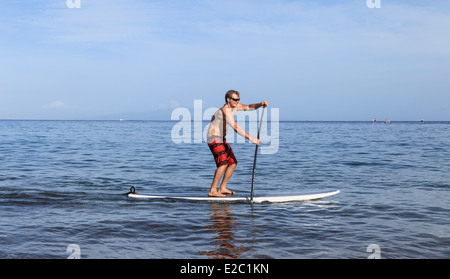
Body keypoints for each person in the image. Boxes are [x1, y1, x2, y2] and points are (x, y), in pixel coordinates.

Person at [206, 90, 268, 197]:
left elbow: (248, 107)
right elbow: (235, 127)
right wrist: (251, 138)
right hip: (214, 138)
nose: (237, 101)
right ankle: (212, 190)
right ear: (228, 99)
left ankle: (222, 188)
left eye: (238, 99)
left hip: (221, 138)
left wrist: (260, 104)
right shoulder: (225, 110)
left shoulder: (235, 107)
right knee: (223, 163)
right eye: (235, 99)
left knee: (233, 162)